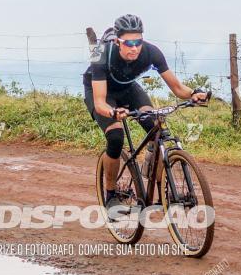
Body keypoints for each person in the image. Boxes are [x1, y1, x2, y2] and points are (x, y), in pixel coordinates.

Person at [83, 14, 209, 212]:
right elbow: (99, 102)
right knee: (116, 137)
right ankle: (111, 195)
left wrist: (194, 93)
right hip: (100, 92)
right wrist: (113, 112)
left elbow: (177, 88)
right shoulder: (100, 54)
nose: (134, 47)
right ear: (117, 41)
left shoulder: (151, 52)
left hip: (127, 87)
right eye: (129, 43)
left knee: (154, 126)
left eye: (138, 42)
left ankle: (156, 175)